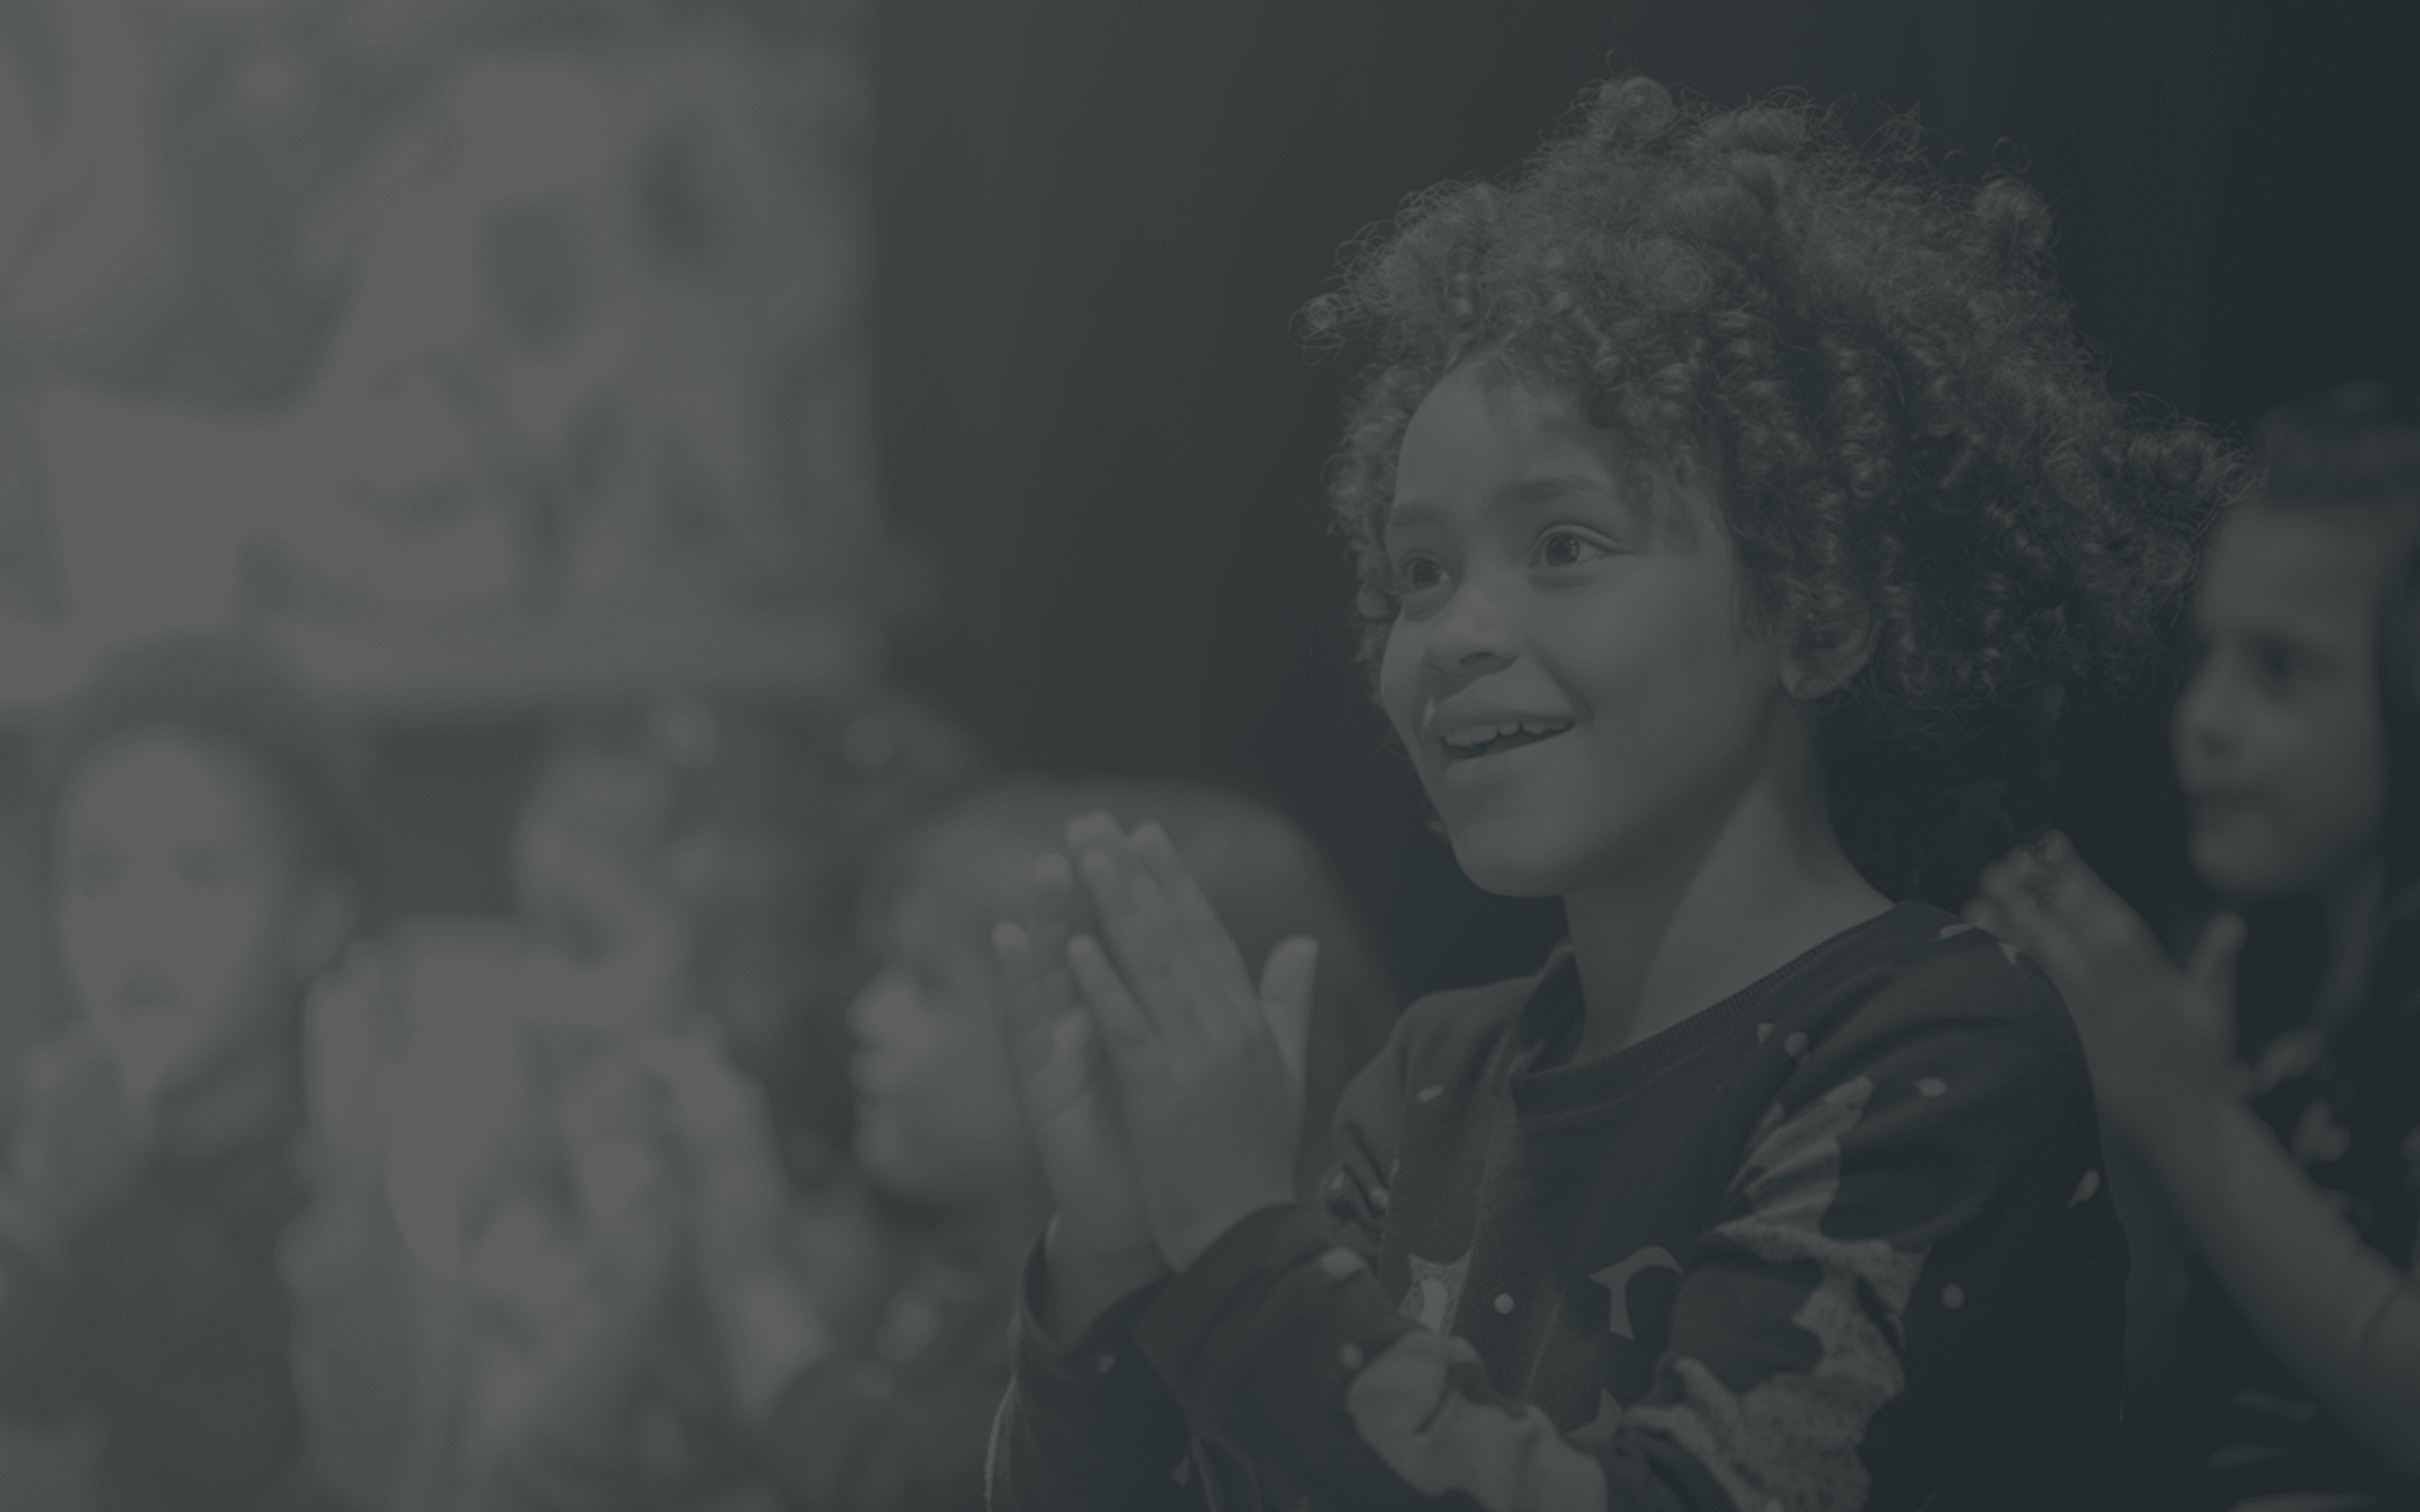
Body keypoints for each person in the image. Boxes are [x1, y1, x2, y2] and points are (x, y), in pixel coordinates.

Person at [982, 74, 2244, 1512]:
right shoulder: (1425, 1083)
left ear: (1817, 611)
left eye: (1566, 545)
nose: (1453, 633)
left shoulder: (1943, 1042)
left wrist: (1234, 1237)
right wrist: (1111, 1261)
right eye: (1420, 572)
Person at [475, 774, 1400, 1511]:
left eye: (923, 985)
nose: (865, 1013)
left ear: (1106, 1038)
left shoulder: (1124, 1357)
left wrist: (746, 1267)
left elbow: (874, 1476)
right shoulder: (946, 1272)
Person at [1970, 382, 2420, 1508]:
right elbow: (2138, 1413)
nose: (2202, 718)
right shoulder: (2271, 995)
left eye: (2280, 669)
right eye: (2207, 656)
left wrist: (2190, 1116)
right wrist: (2124, 1116)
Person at [0, 635, 373, 1511]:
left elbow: (240, 1449)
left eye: (202, 872)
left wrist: (98, 1219)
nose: (139, 925)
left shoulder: (340, 1188)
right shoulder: (44, 1151)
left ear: (314, 918)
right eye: (95, 874)